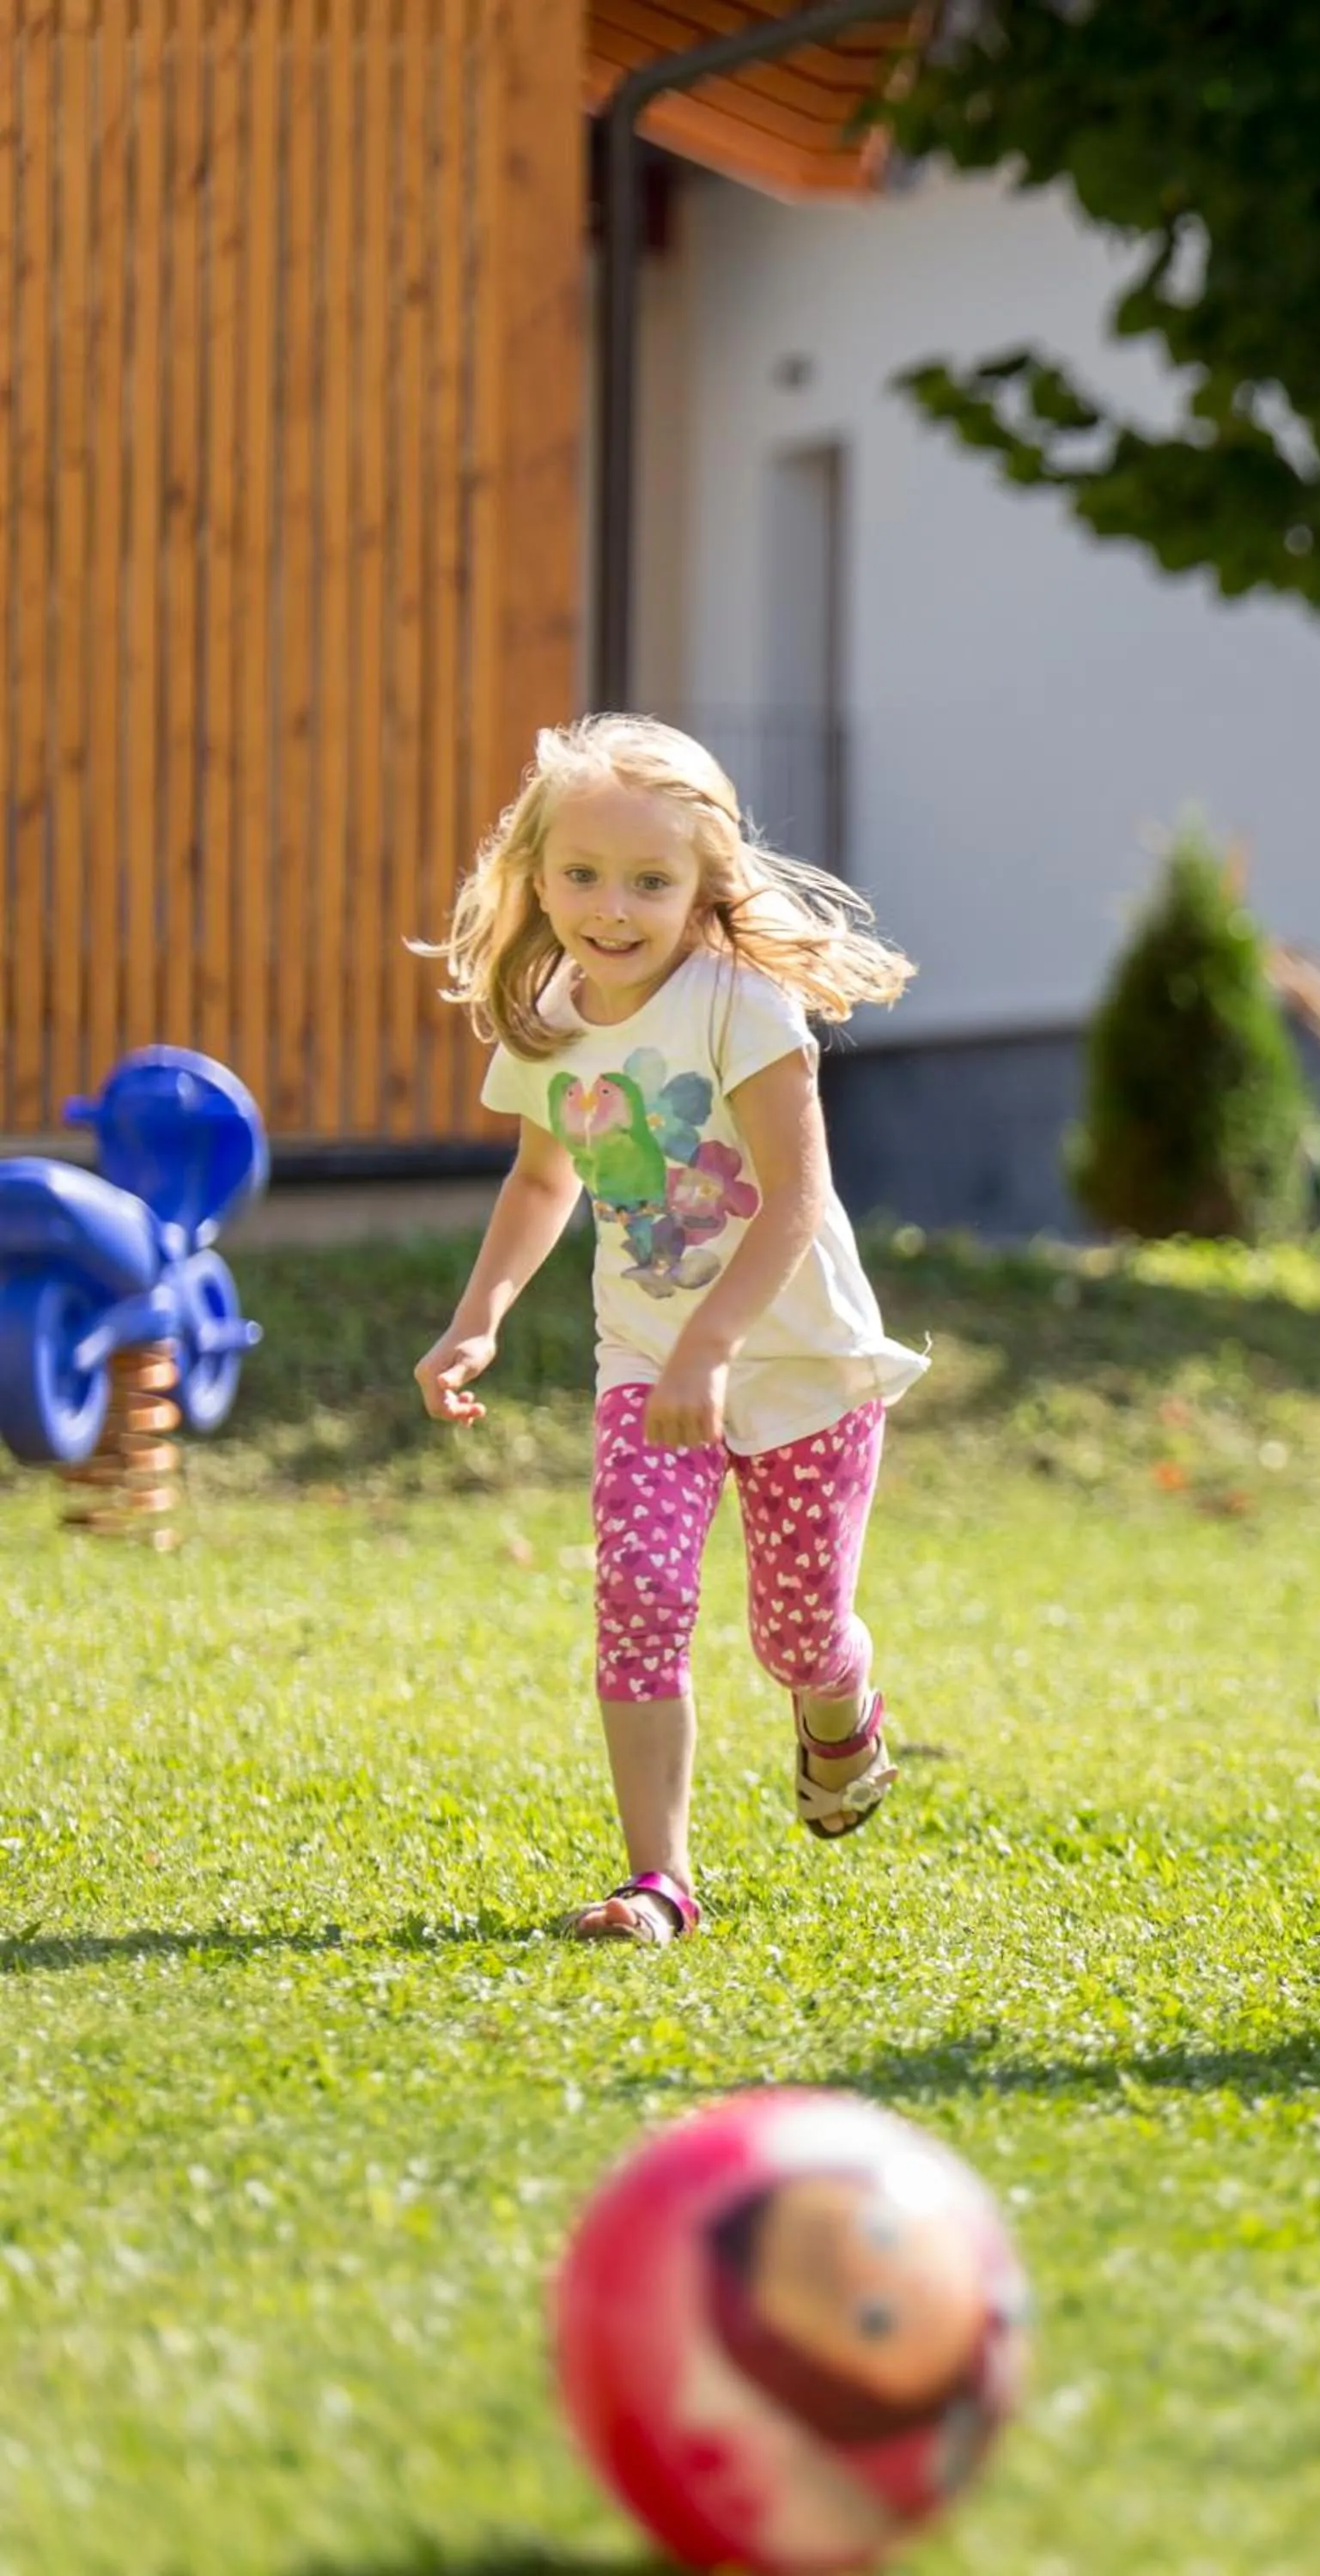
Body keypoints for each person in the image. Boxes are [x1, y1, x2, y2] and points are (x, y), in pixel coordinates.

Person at [412, 714, 926, 1943]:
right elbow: (543, 1182)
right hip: (645, 1359)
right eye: (582, 874)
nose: (611, 905)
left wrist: (716, 1347)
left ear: (703, 887)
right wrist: (476, 1319)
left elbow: (796, 1197)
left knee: (794, 1629)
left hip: (796, 1357)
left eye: (650, 880)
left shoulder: (740, 1003)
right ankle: (661, 1881)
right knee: (639, 1593)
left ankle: (839, 1703)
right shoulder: (546, 1008)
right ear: (536, 874)